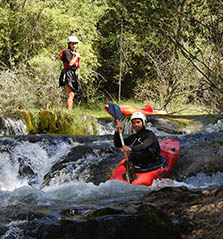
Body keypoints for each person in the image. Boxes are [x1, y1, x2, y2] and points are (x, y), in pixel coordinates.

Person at [59, 36, 80, 110]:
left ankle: (69, 111)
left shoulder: (73, 52)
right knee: (70, 94)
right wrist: (76, 56)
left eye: (75, 44)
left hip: (73, 74)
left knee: (72, 94)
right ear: (69, 44)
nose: (74, 46)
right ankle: (69, 112)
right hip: (67, 73)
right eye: (72, 44)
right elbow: (70, 63)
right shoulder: (66, 52)